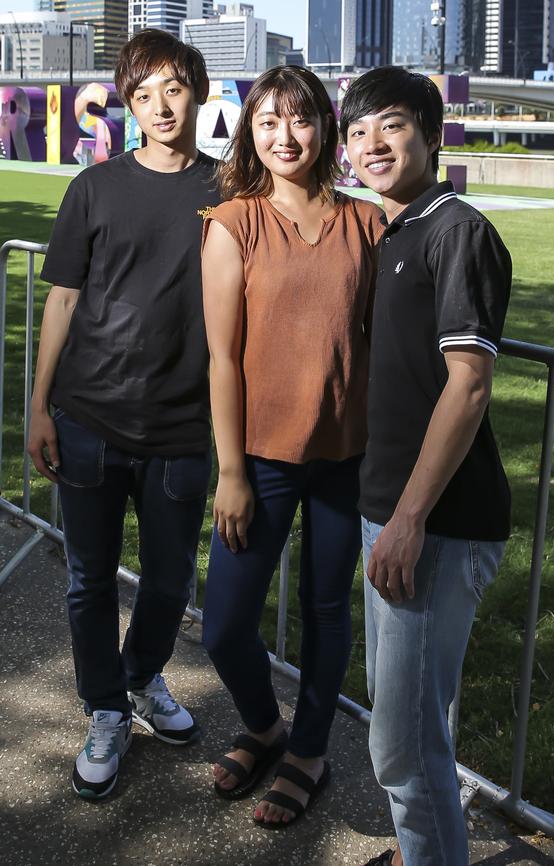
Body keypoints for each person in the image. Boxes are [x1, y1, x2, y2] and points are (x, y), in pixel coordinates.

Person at [27, 29, 221, 800]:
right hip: (87, 418)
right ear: (129, 102)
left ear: (197, 91)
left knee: (171, 582)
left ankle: (141, 680)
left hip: (180, 426)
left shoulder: (228, 187)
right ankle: (104, 708)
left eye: (174, 87)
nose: (161, 105)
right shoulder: (95, 187)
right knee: (88, 580)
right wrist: (39, 406)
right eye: (144, 93)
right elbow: (64, 296)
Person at [201, 65, 383, 828]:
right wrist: (233, 471)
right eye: (269, 120)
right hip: (263, 464)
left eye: (301, 120)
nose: (285, 135)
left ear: (324, 128)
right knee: (224, 626)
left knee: (324, 609)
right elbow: (223, 358)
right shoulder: (232, 222)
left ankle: (307, 751)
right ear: (251, 130)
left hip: (345, 459)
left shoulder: (368, 224)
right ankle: (265, 726)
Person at [340, 67, 512, 866]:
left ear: (432, 135)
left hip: (437, 524)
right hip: (394, 513)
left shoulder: (456, 229)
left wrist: (407, 522)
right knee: (405, 728)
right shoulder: (394, 230)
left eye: (392, 125)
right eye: (358, 131)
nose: (372, 143)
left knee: (404, 749)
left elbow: (468, 385)